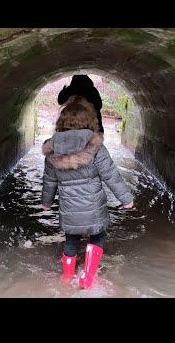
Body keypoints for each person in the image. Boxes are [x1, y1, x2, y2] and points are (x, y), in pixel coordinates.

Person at [41, 95, 133, 289]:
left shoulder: (52, 149)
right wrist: (126, 199)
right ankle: (88, 278)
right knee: (98, 236)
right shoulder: (96, 146)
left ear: (61, 122)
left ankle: (66, 277)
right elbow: (111, 176)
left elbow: (49, 181)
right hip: (94, 207)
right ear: (90, 120)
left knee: (71, 240)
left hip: (69, 209)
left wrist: (46, 203)